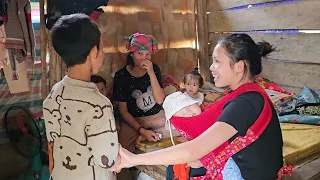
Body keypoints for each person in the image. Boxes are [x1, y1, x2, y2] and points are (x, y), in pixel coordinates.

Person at [113, 34, 293, 180]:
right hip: (244, 165)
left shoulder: (245, 103)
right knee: (178, 167)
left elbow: (193, 149)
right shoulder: (247, 93)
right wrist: (201, 158)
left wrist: (133, 159)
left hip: (246, 174)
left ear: (239, 66)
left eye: (217, 62)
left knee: (177, 169)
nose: (212, 68)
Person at [43, 14, 119, 180]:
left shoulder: (54, 94)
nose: (103, 54)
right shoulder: (99, 105)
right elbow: (107, 160)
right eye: (102, 49)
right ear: (93, 52)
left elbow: (53, 144)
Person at [112, 32, 167, 180]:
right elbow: (123, 112)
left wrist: (151, 73)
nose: (144, 58)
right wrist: (141, 130)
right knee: (120, 150)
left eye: (148, 54)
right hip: (133, 120)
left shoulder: (154, 69)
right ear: (131, 53)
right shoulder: (121, 76)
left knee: (177, 133)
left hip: (156, 116)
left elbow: (160, 100)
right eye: (139, 53)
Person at [163, 91, 242, 179]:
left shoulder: (213, 115)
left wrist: (202, 161)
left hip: (227, 159)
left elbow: (226, 144)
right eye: (182, 114)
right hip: (205, 157)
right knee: (172, 168)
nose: (188, 112)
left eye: (189, 106)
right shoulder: (188, 131)